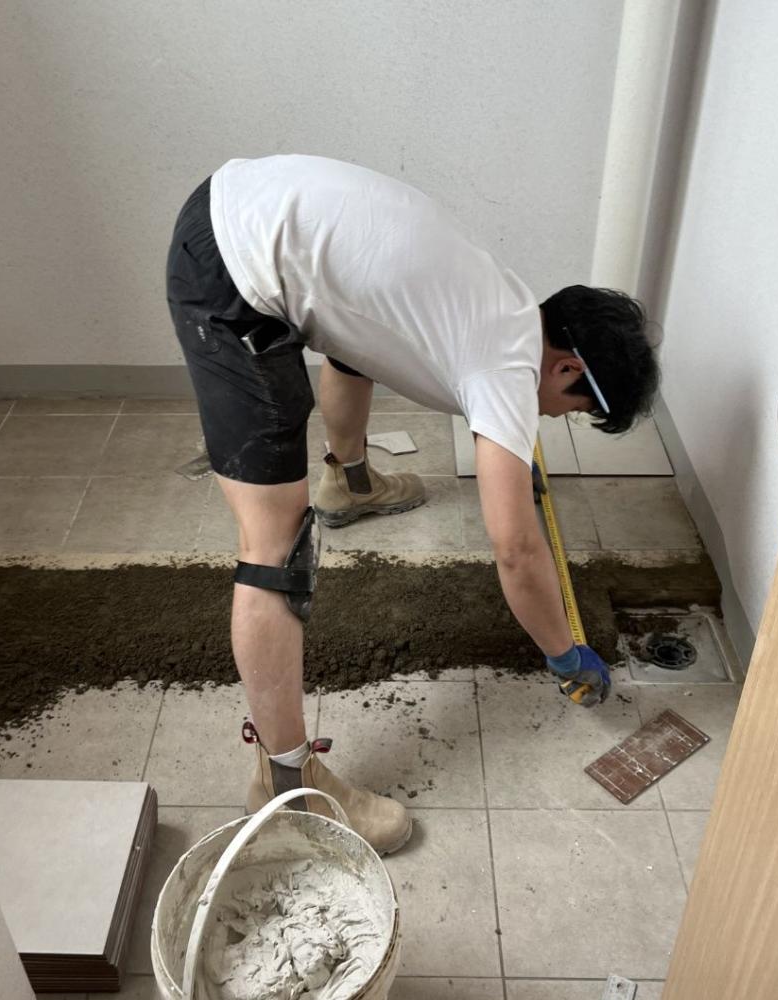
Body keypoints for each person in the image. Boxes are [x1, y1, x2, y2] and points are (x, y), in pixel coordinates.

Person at [166, 154, 659, 855]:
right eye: (573, 409)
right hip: (233, 268)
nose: (554, 419)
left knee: (353, 345)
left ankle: (351, 482)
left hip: (249, 208)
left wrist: (510, 451)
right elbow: (516, 551)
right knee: (277, 548)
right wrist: (565, 653)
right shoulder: (507, 365)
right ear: (568, 366)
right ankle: (286, 781)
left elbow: (363, 345)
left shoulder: (508, 304)